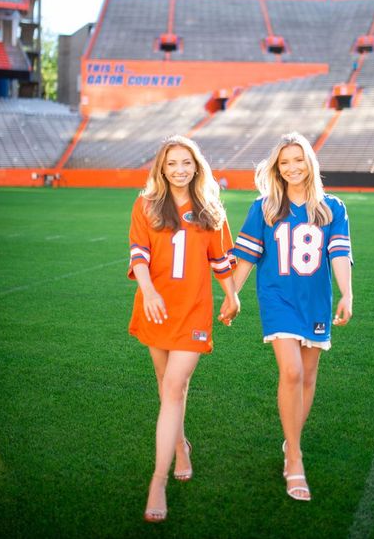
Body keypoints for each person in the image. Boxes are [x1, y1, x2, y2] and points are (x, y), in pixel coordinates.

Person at [229, 131, 353, 501]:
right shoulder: (264, 207)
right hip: (277, 298)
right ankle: (295, 459)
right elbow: (248, 256)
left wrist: (347, 292)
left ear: (310, 163)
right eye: (284, 162)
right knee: (292, 371)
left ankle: (290, 442)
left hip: (314, 299)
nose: (292, 167)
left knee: (309, 375)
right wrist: (231, 294)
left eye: (298, 160)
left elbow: (338, 254)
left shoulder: (333, 208)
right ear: (277, 168)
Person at [127, 135, 240, 522]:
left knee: (173, 387)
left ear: (197, 166)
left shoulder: (210, 207)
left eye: (186, 163)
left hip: (193, 310)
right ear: (162, 167)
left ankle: (157, 481)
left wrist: (232, 295)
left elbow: (221, 258)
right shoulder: (145, 205)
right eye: (172, 163)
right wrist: (148, 291)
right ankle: (180, 446)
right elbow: (138, 254)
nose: (179, 169)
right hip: (155, 307)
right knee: (166, 384)